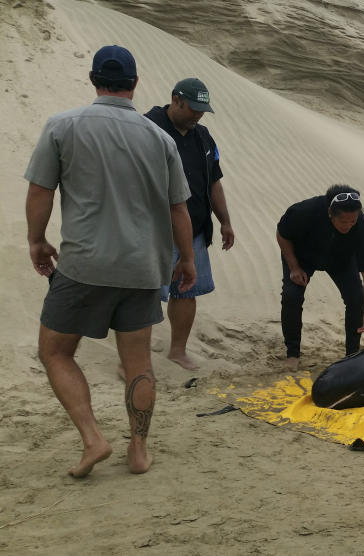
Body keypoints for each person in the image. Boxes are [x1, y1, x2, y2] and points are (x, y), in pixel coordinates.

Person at [24, 45, 195, 477]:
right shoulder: (160, 138)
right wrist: (187, 258)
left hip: (85, 264)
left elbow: (41, 190)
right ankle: (138, 452)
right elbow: (179, 208)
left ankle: (93, 439)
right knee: (138, 362)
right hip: (141, 269)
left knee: (56, 351)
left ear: (93, 79)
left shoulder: (62, 126)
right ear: (134, 84)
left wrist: (37, 241)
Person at [145, 77, 234, 371]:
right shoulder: (148, 128)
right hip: (154, 230)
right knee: (143, 294)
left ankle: (177, 351)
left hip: (194, 228)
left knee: (187, 292)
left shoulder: (204, 137)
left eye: (202, 110)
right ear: (175, 99)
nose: (197, 115)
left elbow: (215, 182)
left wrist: (225, 221)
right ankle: (134, 357)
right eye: (193, 108)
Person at [277, 185, 364, 367]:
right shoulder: (305, 211)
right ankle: (292, 354)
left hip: (341, 259)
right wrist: (294, 267)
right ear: (330, 212)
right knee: (292, 296)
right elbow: (282, 234)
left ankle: (352, 356)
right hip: (302, 256)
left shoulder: (361, 225)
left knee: (356, 299)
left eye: (352, 221)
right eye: (343, 222)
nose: (348, 225)